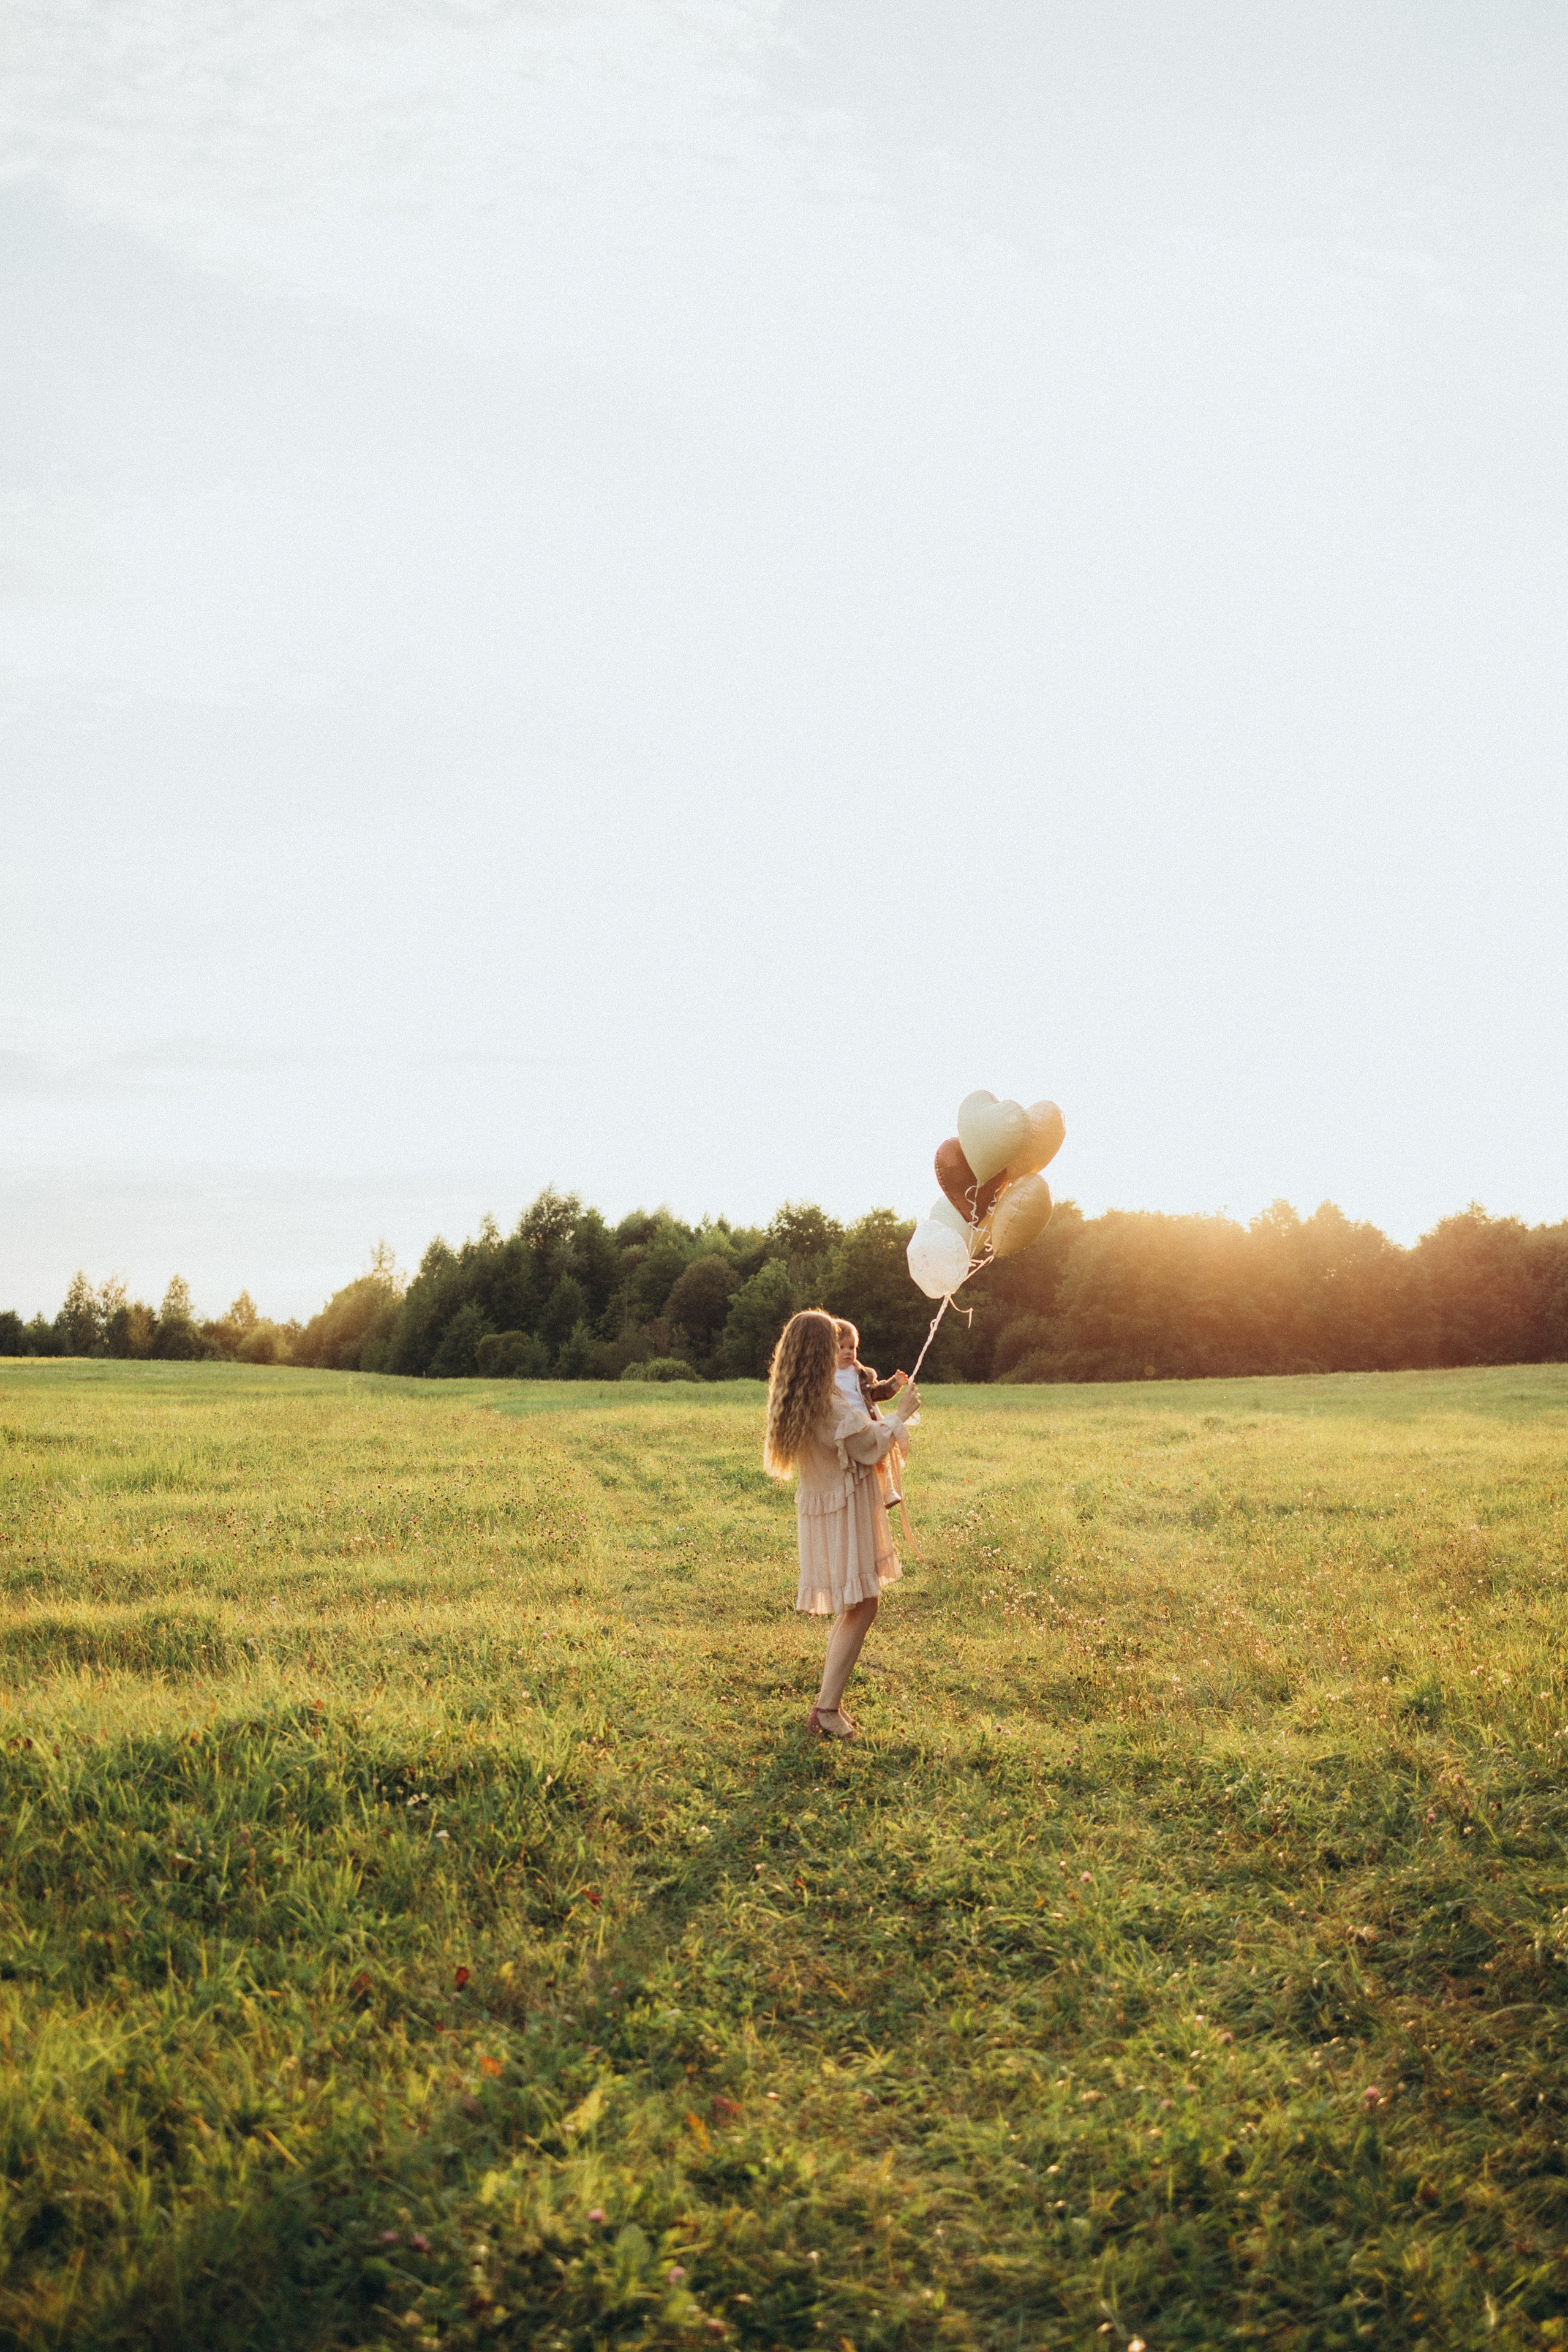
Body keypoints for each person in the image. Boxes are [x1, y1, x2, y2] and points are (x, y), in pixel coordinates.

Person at [764, 1308, 921, 1741]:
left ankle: (827, 1705)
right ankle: (826, 1709)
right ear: (818, 1353)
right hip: (844, 1509)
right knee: (864, 1604)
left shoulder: (809, 1396)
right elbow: (867, 1445)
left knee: (859, 1605)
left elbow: (861, 1437)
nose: (841, 1350)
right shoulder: (825, 1404)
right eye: (832, 1342)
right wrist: (901, 1412)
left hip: (834, 1507)